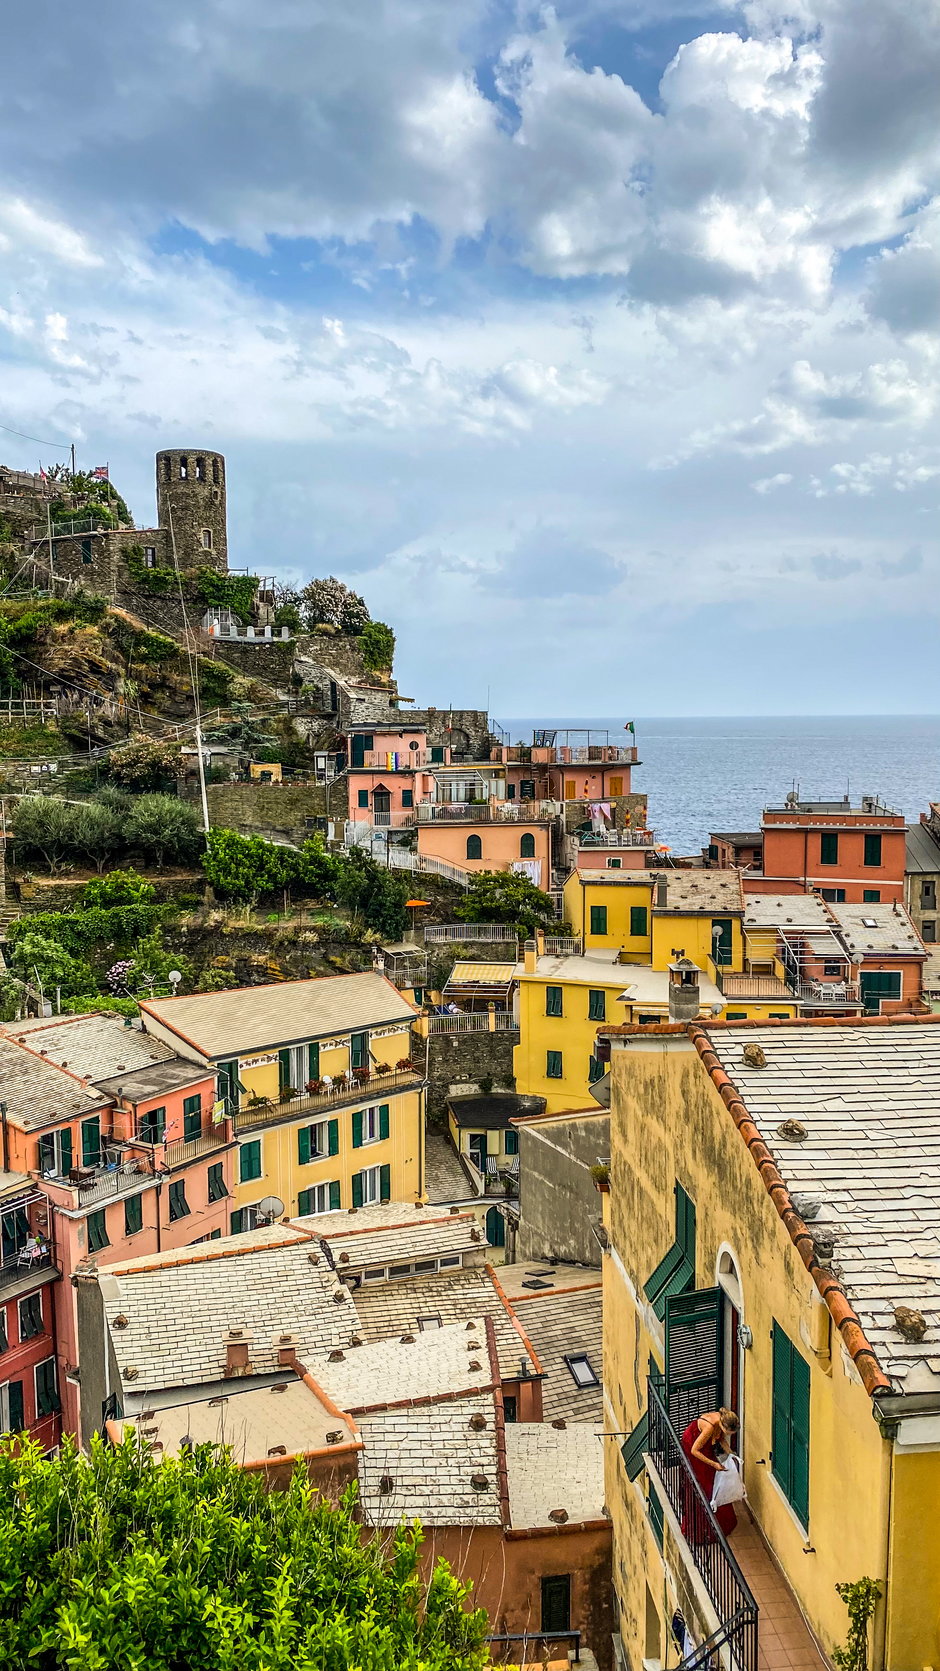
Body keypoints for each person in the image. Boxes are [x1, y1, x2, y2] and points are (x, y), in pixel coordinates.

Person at [680, 1407, 740, 1537]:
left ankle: (720, 1521)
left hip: (705, 1448)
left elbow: (721, 1439)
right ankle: (701, 1528)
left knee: (714, 1480)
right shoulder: (710, 1427)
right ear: (724, 1426)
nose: (729, 1434)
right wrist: (714, 1464)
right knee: (704, 1483)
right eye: (729, 1432)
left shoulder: (723, 1420)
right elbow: (694, 1451)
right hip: (694, 1448)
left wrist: (731, 1454)